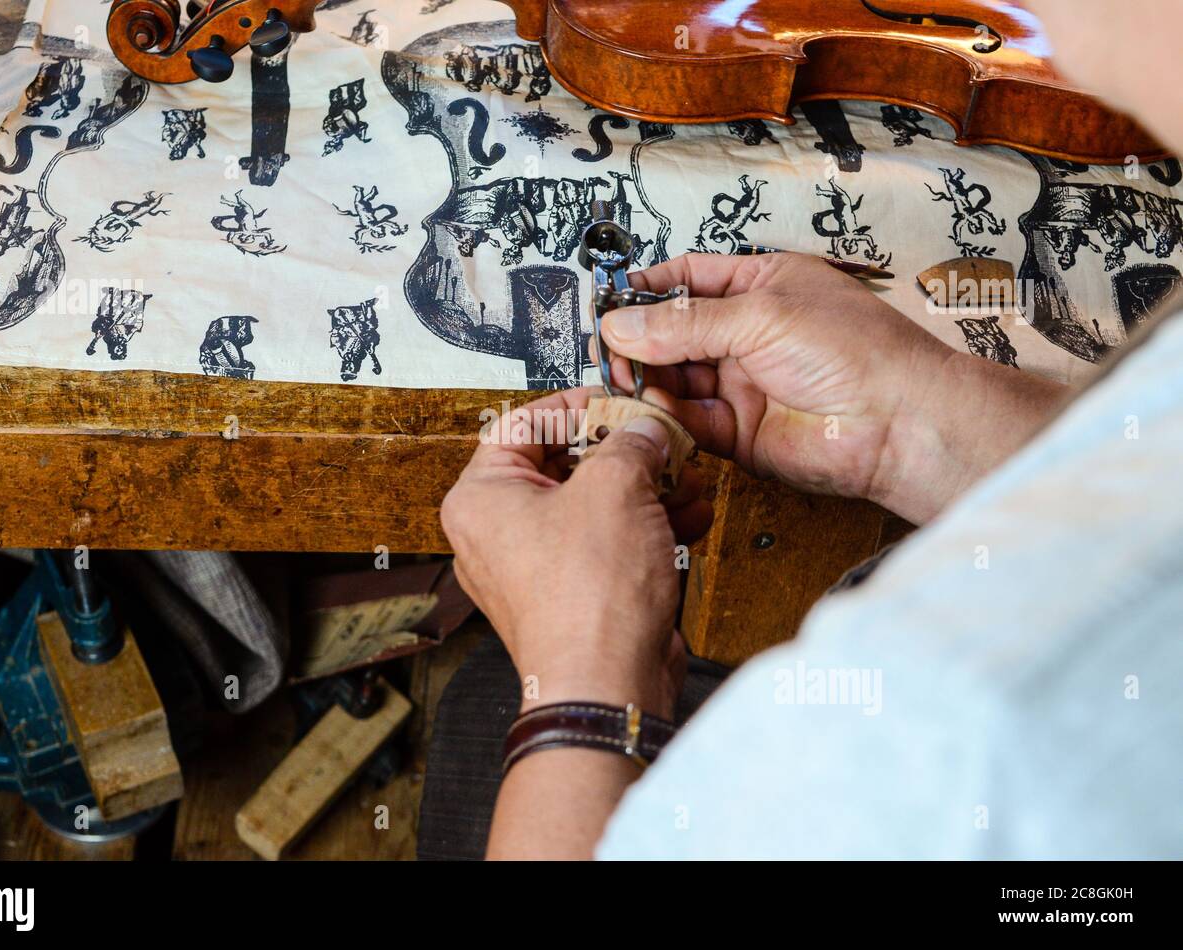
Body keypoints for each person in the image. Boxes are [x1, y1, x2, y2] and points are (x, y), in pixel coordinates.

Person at [438, 0, 1183, 860]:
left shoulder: (974, 723)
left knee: (484, 711)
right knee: (472, 708)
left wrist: (582, 675)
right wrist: (910, 422)